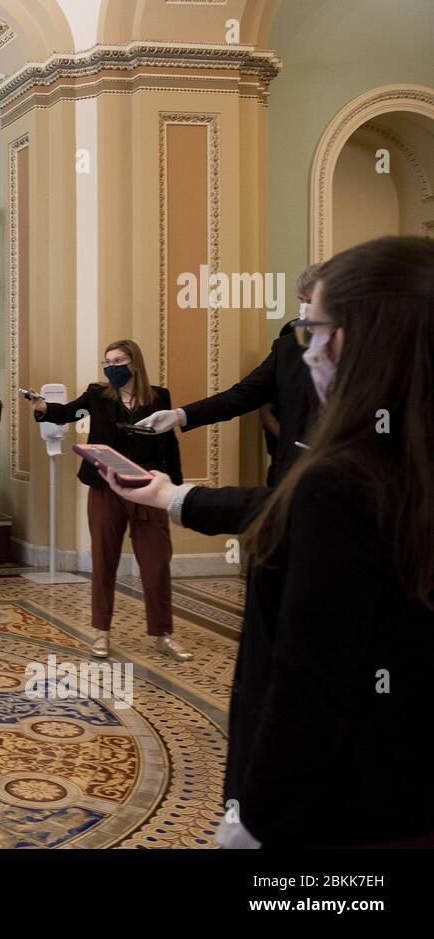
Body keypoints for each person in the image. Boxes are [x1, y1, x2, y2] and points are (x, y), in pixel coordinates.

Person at [104, 236, 434, 848]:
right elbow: (276, 480)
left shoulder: (342, 482)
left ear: (365, 339)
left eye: (318, 329)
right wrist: (173, 494)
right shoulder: (395, 464)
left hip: (340, 812)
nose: (310, 348)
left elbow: (309, 683)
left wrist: (256, 820)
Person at [28, 339, 191, 661]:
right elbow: (70, 411)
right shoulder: (97, 393)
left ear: (134, 362)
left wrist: (176, 487)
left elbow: (169, 442)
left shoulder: (159, 396)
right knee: (104, 559)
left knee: (157, 561)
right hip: (106, 485)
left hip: (150, 488)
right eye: (107, 362)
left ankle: (163, 633)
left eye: (118, 361)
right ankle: (102, 632)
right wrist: (45, 408)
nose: (111, 367)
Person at [135, 265, 322, 487]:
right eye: (300, 300)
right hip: (292, 473)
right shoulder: (287, 348)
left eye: (309, 301)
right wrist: (179, 415)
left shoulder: (367, 349)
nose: (303, 308)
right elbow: (243, 395)